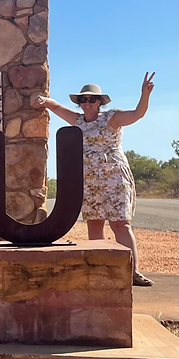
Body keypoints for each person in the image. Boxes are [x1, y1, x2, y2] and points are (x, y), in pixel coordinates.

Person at [32, 75, 156, 286]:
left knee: (121, 224)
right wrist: (42, 101)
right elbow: (56, 106)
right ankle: (100, 268)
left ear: (100, 102)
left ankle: (133, 271)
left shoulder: (111, 118)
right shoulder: (78, 121)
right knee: (95, 223)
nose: (87, 103)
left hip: (114, 177)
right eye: (83, 100)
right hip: (89, 179)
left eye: (92, 99)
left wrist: (144, 94)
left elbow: (138, 114)